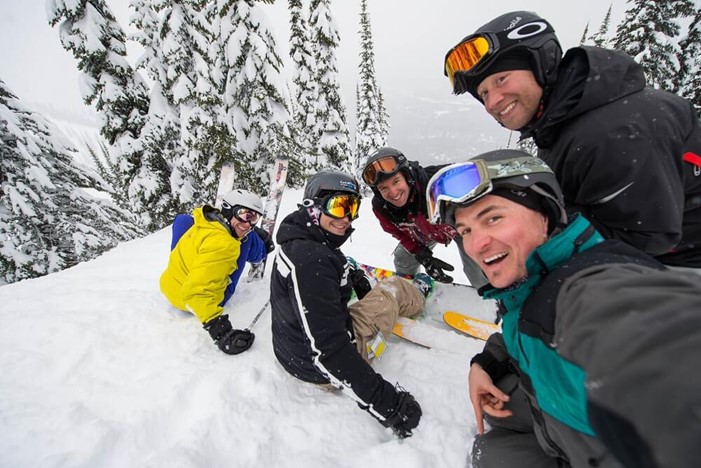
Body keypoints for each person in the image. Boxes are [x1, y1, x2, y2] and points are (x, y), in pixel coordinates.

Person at [426, 149, 701, 468]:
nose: (476, 245)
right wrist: (485, 363)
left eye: (493, 218)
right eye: (466, 231)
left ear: (545, 210)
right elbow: (524, 328)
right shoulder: (529, 282)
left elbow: (652, 341)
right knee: (490, 438)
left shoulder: (586, 291)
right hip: (549, 423)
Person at [443, 10, 701, 270]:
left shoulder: (612, 132)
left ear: (539, 64)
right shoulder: (567, 121)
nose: (493, 101)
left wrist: (539, 244)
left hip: (681, 274)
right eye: (484, 93)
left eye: (501, 79)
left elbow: (646, 236)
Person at [270, 170, 430, 438]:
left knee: (357, 277)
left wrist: (349, 276)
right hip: (321, 368)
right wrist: (390, 406)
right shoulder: (313, 263)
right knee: (393, 288)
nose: (346, 218)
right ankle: (418, 294)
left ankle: (360, 277)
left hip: (292, 353)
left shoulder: (298, 238)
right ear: (312, 206)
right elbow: (329, 353)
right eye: (338, 206)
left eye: (352, 207)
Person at [160, 189, 275, 355]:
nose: (248, 223)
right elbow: (195, 295)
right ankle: (261, 251)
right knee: (246, 240)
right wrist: (222, 332)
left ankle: (255, 239)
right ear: (228, 210)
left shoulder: (205, 221)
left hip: (171, 285)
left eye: (254, 218)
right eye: (244, 215)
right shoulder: (224, 245)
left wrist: (241, 224)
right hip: (191, 301)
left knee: (184, 221)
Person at [361, 146, 488, 288]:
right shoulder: (383, 208)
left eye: (396, 181)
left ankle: (496, 298)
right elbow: (399, 233)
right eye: (384, 188)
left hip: (463, 229)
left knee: (477, 269)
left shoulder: (438, 183)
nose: (393, 192)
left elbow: (482, 183)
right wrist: (422, 255)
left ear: (407, 177)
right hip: (425, 230)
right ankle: (409, 290)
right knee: (403, 258)